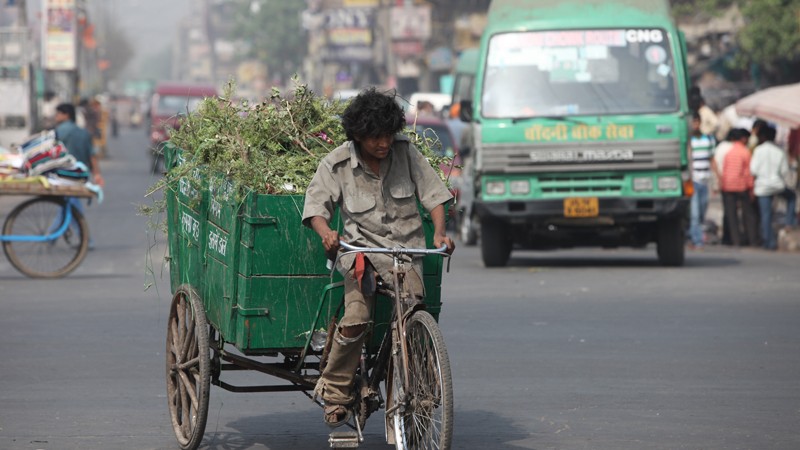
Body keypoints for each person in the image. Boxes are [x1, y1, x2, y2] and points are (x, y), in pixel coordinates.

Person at [302, 87, 455, 427]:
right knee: (356, 317)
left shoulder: (406, 153)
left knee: (414, 313)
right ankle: (337, 394)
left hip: (406, 252)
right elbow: (316, 206)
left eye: (387, 136)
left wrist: (440, 233)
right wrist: (326, 232)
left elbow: (434, 195)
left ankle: (419, 384)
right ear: (358, 135)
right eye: (375, 138)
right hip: (362, 254)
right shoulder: (337, 163)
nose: (383, 144)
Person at [750, 124, 797, 250]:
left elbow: (753, 169)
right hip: (777, 185)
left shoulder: (758, 150)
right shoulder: (779, 151)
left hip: (762, 187)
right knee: (791, 197)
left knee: (766, 215)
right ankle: (789, 222)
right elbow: (784, 171)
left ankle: (768, 242)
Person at [719, 128, 758, 247]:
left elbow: (725, 170)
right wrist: (751, 188)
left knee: (731, 215)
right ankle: (752, 239)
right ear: (743, 139)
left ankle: (735, 240)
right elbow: (748, 172)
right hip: (742, 186)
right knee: (748, 214)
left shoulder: (729, 152)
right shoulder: (745, 152)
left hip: (728, 186)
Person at [688, 112, 715, 249]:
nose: (695, 124)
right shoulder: (688, 140)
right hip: (693, 180)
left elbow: (712, 159)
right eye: (693, 122)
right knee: (695, 213)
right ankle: (697, 241)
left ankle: (693, 235)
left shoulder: (708, 139)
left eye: (697, 121)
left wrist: (717, 180)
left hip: (705, 179)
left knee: (702, 210)